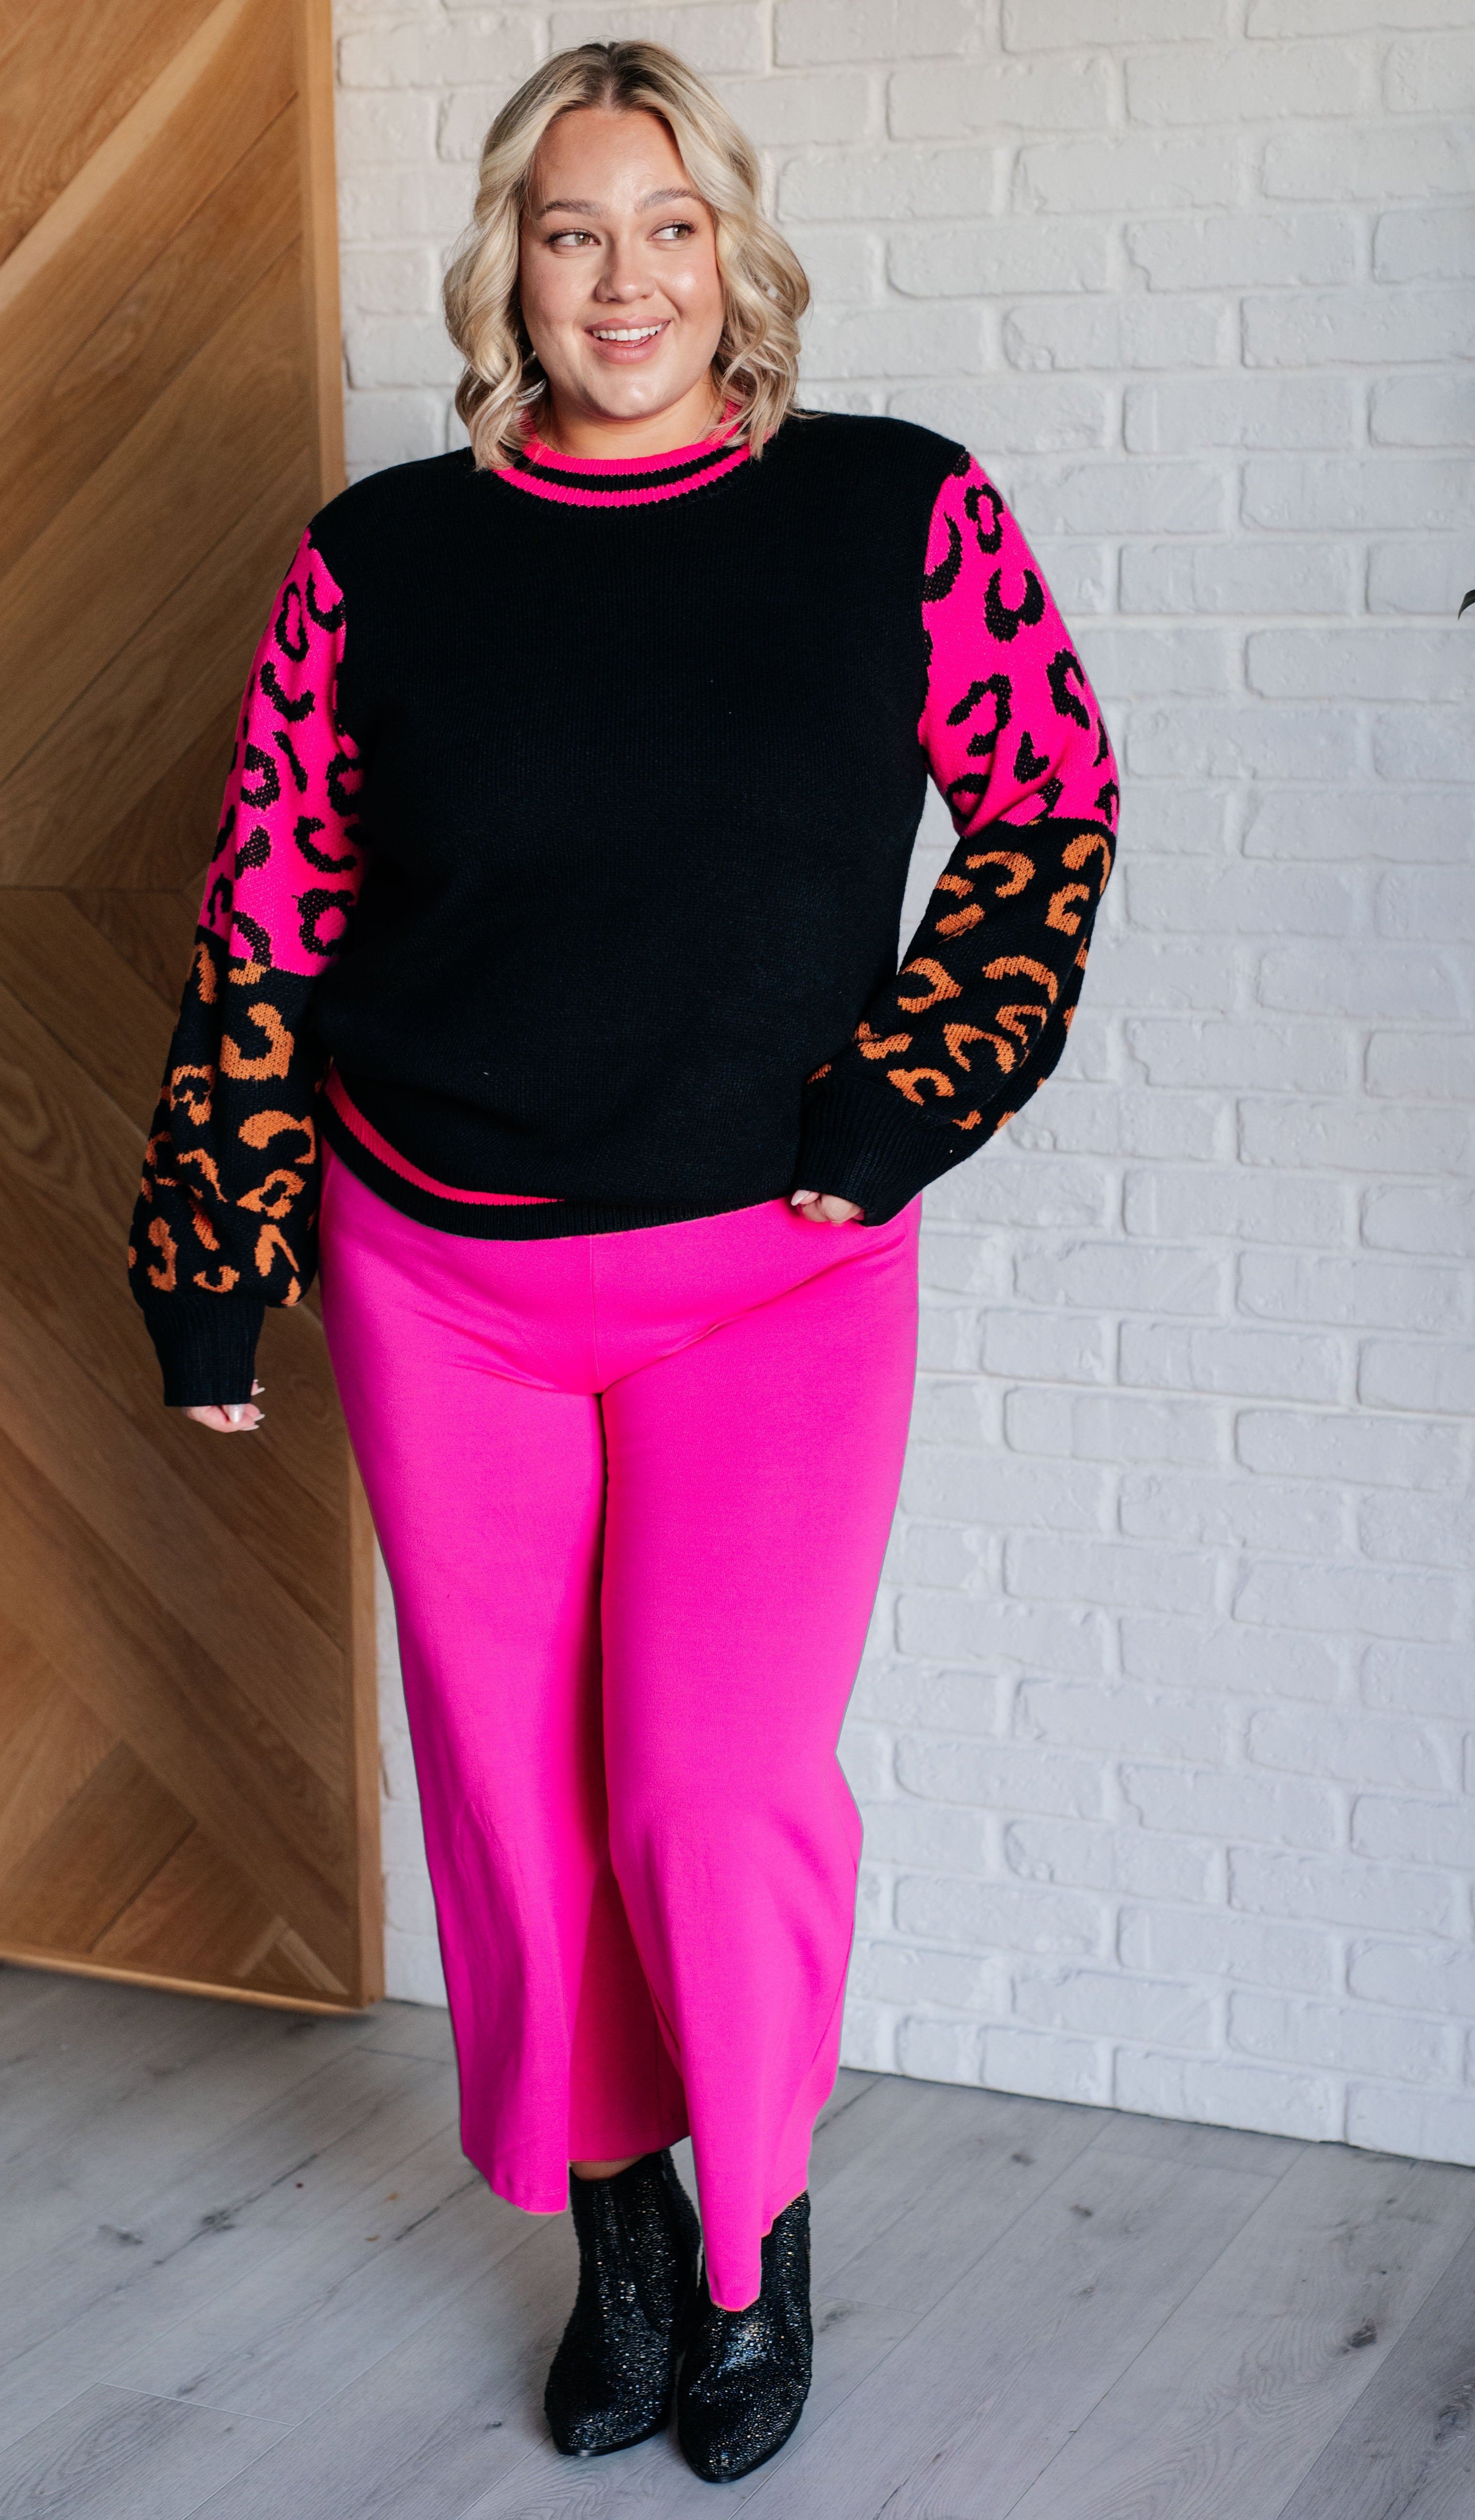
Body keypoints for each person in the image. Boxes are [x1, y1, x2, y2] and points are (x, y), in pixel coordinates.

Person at [127, 39, 1118, 2485]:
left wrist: (908, 1101)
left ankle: (761, 2232)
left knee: (712, 1786)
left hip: (769, 1272)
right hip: (439, 1276)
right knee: (516, 1803)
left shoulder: (896, 510)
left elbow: (1048, 807)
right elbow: (272, 909)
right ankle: (626, 2238)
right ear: (512, 269)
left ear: (733, 249)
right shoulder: (382, 558)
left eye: (668, 225)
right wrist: (212, 1246)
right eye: (573, 232)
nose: (626, 279)